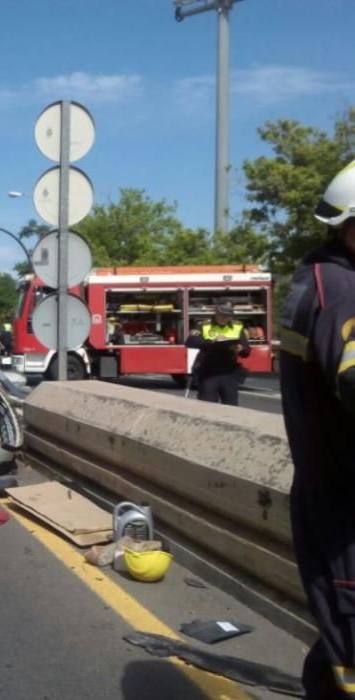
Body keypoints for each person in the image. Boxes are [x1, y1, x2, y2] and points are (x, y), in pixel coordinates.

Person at [279, 161, 354, 700]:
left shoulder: (321, 278)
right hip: (345, 509)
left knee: (335, 652)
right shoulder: (344, 292)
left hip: (328, 496)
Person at [183, 301, 250, 406]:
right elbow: (190, 342)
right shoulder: (204, 325)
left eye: (227, 316)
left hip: (229, 372)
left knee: (231, 406)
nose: (224, 318)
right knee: (208, 406)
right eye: (222, 315)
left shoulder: (237, 326)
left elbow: (246, 351)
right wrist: (211, 342)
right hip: (208, 372)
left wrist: (240, 349)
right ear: (216, 313)